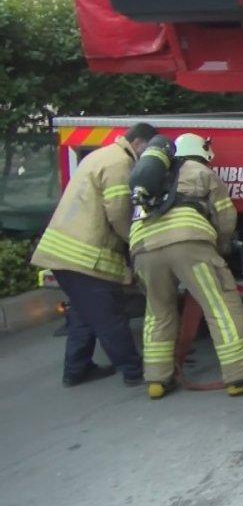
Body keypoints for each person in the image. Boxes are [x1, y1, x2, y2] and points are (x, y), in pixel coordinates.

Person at [131, 133, 243, 399]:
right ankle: (240, 377)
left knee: (158, 312)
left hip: (142, 247)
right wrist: (220, 248)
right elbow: (226, 217)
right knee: (221, 306)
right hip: (188, 244)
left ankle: (157, 380)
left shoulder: (156, 178)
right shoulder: (202, 172)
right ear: (203, 153)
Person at [32, 123, 157, 388]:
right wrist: (137, 241)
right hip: (85, 258)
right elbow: (119, 212)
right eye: (148, 150)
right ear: (138, 143)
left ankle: (76, 370)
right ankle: (134, 371)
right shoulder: (120, 164)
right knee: (109, 317)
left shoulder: (102, 155)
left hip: (63, 253)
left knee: (83, 314)